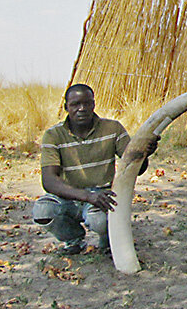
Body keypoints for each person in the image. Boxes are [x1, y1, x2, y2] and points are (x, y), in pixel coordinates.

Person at [32, 84, 158, 255]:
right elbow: (49, 181)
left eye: (87, 103)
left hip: (102, 195)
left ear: (94, 104)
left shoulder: (112, 128)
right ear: (66, 107)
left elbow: (134, 168)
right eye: (75, 104)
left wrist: (143, 153)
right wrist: (87, 196)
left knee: (99, 220)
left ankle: (108, 240)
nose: (81, 109)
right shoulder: (53, 135)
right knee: (42, 211)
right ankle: (73, 240)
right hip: (69, 196)